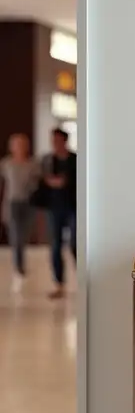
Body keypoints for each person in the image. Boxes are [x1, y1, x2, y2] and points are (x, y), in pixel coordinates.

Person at [0, 133, 40, 292]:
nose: (20, 147)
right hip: (12, 203)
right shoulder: (6, 164)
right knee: (15, 235)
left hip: (28, 204)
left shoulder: (33, 164)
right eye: (16, 144)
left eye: (22, 144)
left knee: (23, 235)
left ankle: (20, 263)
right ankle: (19, 267)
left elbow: (38, 184)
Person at [42, 127, 77, 299]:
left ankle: (82, 280)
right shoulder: (48, 160)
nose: (54, 144)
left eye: (57, 140)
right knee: (55, 246)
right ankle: (59, 284)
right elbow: (41, 180)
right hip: (54, 208)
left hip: (73, 207)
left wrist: (64, 183)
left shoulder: (75, 160)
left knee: (75, 245)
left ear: (64, 140)